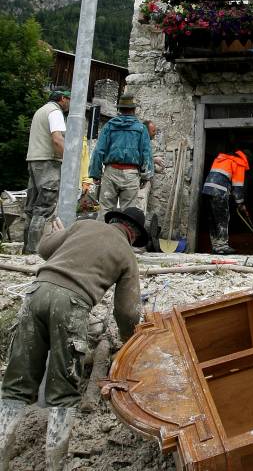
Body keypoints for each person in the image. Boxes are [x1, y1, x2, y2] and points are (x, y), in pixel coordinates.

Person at [0, 207, 147, 470]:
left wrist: (53, 232)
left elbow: (44, 249)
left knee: (16, 384)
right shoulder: (126, 254)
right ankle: (54, 465)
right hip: (71, 304)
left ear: (114, 221)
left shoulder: (82, 226)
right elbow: (126, 311)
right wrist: (130, 340)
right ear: (134, 236)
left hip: (35, 294)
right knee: (63, 389)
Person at [89, 94, 153, 221]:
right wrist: (145, 176)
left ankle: (101, 238)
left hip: (110, 172)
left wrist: (95, 173)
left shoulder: (109, 126)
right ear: (134, 109)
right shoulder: (141, 129)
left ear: (120, 109)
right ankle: (122, 239)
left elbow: (99, 151)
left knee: (105, 211)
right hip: (131, 174)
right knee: (128, 213)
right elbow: (146, 155)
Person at [23, 89, 71, 254]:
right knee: (44, 207)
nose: (70, 103)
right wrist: (69, 160)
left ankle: (27, 248)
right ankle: (35, 250)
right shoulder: (55, 112)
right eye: (69, 99)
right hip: (48, 162)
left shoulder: (40, 111)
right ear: (63, 98)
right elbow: (57, 139)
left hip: (34, 160)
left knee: (31, 207)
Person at [202, 150, 250, 254]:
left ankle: (215, 245)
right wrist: (240, 204)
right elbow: (238, 187)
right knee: (222, 218)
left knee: (212, 219)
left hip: (206, 190)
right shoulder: (239, 163)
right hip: (219, 191)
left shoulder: (222, 159)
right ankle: (222, 246)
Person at [136, 120, 165, 215]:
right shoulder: (140, 143)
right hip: (140, 182)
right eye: (153, 131)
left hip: (144, 181)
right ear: (146, 131)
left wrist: (156, 168)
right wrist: (154, 160)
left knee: (142, 207)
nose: (155, 133)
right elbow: (140, 161)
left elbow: (146, 162)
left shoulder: (147, 143)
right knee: (139, 208)